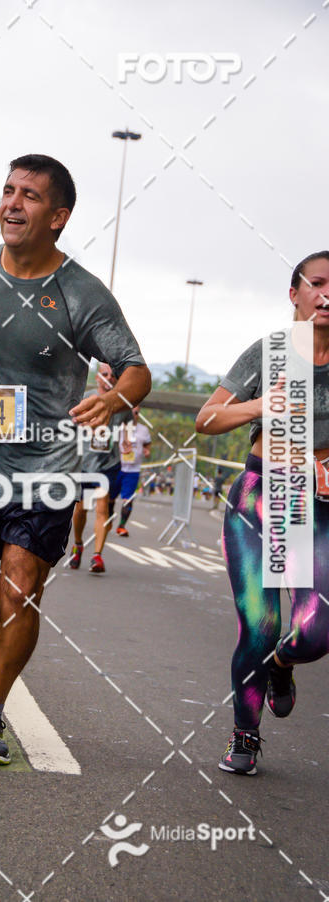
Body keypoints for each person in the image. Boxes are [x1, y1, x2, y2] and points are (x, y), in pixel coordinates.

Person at [0, 154, 150, 765]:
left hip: (47, 467)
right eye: (8, 190)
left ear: (58, 217)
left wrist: (113, 398)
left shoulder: (81, 292)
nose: (11, 202)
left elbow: (136, 370)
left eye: (29, 195)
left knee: (21, 590)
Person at [196, 250, 329, 776]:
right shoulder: (270, 352)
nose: (327, 294)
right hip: (260, 497)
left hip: (317, 506)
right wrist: (257, 407)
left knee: (315, 631)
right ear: (294, 293)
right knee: (260, 625)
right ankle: (245, 735)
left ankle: (281, 663)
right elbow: (206, 419)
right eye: (317, 283)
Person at [69, 362, 131, 573]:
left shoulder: (122, 403)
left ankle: (97, 556)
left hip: (107, 463)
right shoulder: (86, 398)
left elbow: (128, 424)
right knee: (81, 509)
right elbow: (71, 424)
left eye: (113, 375)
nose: (109, 378)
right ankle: (78, 544)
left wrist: (126, 440)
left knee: (102, 508)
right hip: (85, 463)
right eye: (105, 374)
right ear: (97, 377)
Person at [115, 403, 151, 537]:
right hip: (117, 467)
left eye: (136, 413)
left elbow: (147, 445)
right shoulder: (118, 427)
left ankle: (122, 526)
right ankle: (106, 520)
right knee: (109, 499)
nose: (133, 415)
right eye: (131, 412)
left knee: (128, 499)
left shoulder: (143, 430)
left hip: (133, 470)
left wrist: (147, 451)